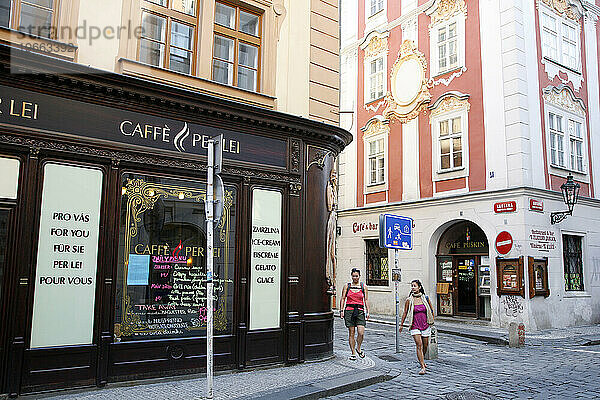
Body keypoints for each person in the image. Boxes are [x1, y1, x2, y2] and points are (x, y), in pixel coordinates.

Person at [399, 279, 434, 375]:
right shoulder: (409, 300)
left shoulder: (425, 298)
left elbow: (431, 310)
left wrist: (432, 321)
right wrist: (401, 324)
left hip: (425, 324)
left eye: (414, 286)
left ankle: (421, 358)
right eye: (412, 286)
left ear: (419, 287)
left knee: (425, 345)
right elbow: (405, 312)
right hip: (414, 325)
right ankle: (422, 366)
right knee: (419, 344)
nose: (413, 288)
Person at [339, 268, 369, 360]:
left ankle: (358, 348)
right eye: (353, 276)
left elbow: (366, 300)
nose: (355, 277)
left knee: (361, 332)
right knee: (351, 332)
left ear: (359, 276)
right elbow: (343, 298)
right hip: (349, 310)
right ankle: (353, 353)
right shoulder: (347, 286)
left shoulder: (363, 286)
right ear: (351, 276)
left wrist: (368, 311)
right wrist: (341, 310)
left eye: (356, 276)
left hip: (360, 310)